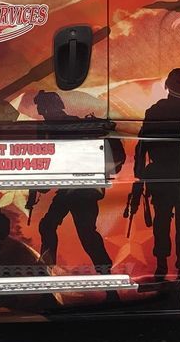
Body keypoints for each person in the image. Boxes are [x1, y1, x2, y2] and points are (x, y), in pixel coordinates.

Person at [128, 67, 180, 281]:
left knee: (162, 223)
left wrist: (139, 175)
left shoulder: (156, 111)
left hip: (164, 177)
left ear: (168, 86)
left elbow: (142, 146)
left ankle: (163, 266)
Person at [28, 90, 122, 273]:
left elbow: (49, 162)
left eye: (42, 108)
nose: (41, 112)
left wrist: (37, 190)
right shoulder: (74, 124)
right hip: (79, 189)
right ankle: (101, 270)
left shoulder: (53, 129)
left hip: (79, 190)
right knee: (74, 230)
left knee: (80, 232)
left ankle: (50, 266)